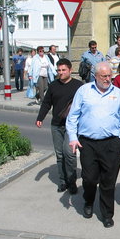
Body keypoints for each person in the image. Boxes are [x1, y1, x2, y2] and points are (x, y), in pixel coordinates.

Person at [67, 62, 120, 228]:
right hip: (88, 143)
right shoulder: (84, 91)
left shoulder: (118, 93)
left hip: (111, 144)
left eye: (110, 76)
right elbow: (73, 116)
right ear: (96, 76)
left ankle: (107, 214)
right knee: (89, 178)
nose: (108, 79)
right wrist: (73, 137)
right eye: (104, 76)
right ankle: (88, 200)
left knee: (108, 182)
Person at [36, 58, 84, 194]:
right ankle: (63, 181)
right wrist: (40, 118)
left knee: (69, 153)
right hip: (56, 125)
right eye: (58, 70)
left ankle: (72, 180)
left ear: (70, 70)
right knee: (60, 155)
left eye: (63, 70)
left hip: (72, 126)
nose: (60, 72)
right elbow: (46, 103)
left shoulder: (78, 86)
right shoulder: (53, 85)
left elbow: (85, 105)